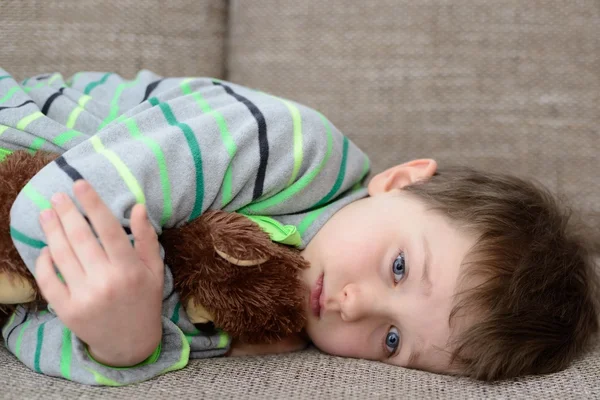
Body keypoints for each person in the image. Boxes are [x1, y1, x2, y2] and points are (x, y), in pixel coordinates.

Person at [1, 70, 598, 385]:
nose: (353, 305)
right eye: (399, 268)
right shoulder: (294, 148)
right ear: (401, 182)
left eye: (392, 341)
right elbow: (47, 208)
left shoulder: (263, 322)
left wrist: (122, 347)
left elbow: (24, 322)